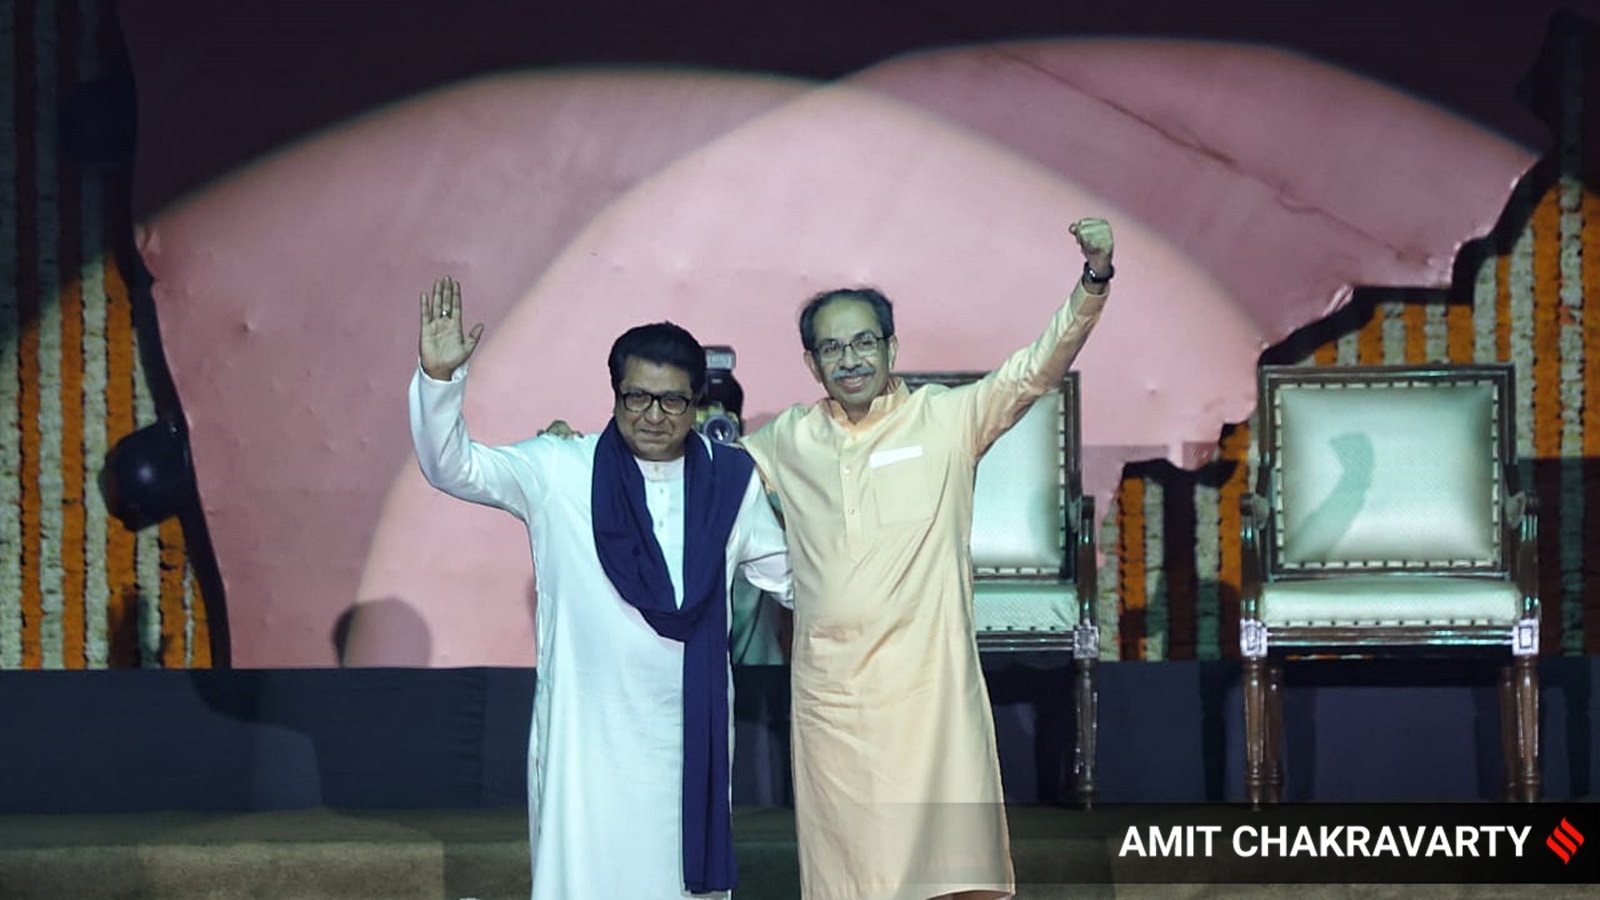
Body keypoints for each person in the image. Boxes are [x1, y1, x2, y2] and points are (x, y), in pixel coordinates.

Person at [739, 218, 1115, 900]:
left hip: (926, 684)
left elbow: (1035, 370)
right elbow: (692, 470)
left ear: (891, 347)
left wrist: (1092, 281)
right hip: (834, 691)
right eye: (831, 348)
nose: (849, 359)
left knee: (945, 871)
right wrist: (582, 444)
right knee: (851, 872)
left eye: (863, 342)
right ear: (811, 363)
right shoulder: (787, 440)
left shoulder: (945, 420)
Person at [408, 276, 792, 900]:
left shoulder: (731, 482)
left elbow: (796, 581)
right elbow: (452, 467)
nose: (652, 416)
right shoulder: (560, 467)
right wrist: (438, 381)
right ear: (614, 395)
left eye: (672, 401)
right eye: (635, 397)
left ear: (697, 403)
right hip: (585, 740)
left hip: (684, 741)